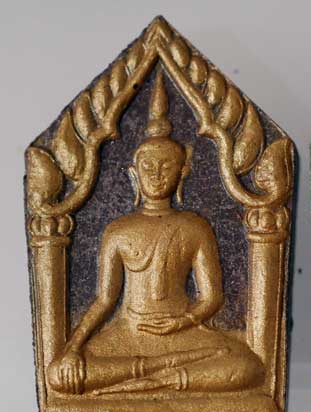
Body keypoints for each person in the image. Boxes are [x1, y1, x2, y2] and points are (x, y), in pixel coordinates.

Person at [48, 71, 263, 395]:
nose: (157, 174)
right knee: (58, 375)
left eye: (167, 166)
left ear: (183, 172)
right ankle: (158, 372)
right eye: (148, 166)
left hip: (182, 332)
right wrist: (74, 346)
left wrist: (184, 321)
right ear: (134, 174)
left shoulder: (194, 227)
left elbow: (211, 297)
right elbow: (105, 299)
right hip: (129, 332)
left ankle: (155, 379)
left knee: (250, 368)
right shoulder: (118, 230)